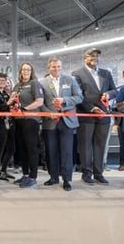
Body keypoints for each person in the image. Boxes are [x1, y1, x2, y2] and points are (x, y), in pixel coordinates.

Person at [71, 48, 116, 185]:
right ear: (85, 58)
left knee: (100, 145)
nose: (94, 58)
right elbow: (78, 95)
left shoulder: (106, 73)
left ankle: (99, 173)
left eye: (96, 56)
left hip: (103, 115)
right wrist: (91, 108)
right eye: (91, 56)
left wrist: (109, 94)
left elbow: (115, 90)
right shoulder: (76, 74)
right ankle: (87, 173)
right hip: (87, 115)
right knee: (85, 146)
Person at [40, 57, 83, 191]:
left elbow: (79, 97)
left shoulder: (70, 80)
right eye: (54, 67)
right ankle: (53, 177)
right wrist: (48, 113)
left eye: (59, 66)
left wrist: (64, 100)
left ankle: (67, 179)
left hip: (67, 121)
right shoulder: (42, 83)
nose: (56, 69)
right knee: (51, 151)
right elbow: (40, 102)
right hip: (50, 122)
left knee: (67, 152)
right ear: (49, 67)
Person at [9, 62, 44, 188]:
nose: (25, 72)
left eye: (28, 69)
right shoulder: (17, 85)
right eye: (23, 69)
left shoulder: (34, 83)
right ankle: (25, 174)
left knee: (31, 149)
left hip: (30, 120)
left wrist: (25, 109)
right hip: (18, 121)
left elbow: (39, 101)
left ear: (31, 71)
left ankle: (33, 177)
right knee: (22, 149)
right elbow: (12, 101)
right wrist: (11, 102)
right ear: (20, 72)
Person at [0, 73, 15, 181]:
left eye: (3, 80)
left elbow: (9, 107)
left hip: (9, 124)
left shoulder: (6, 94)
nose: (2, 82)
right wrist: (8, 103)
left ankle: (4, 169)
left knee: (11, 148)